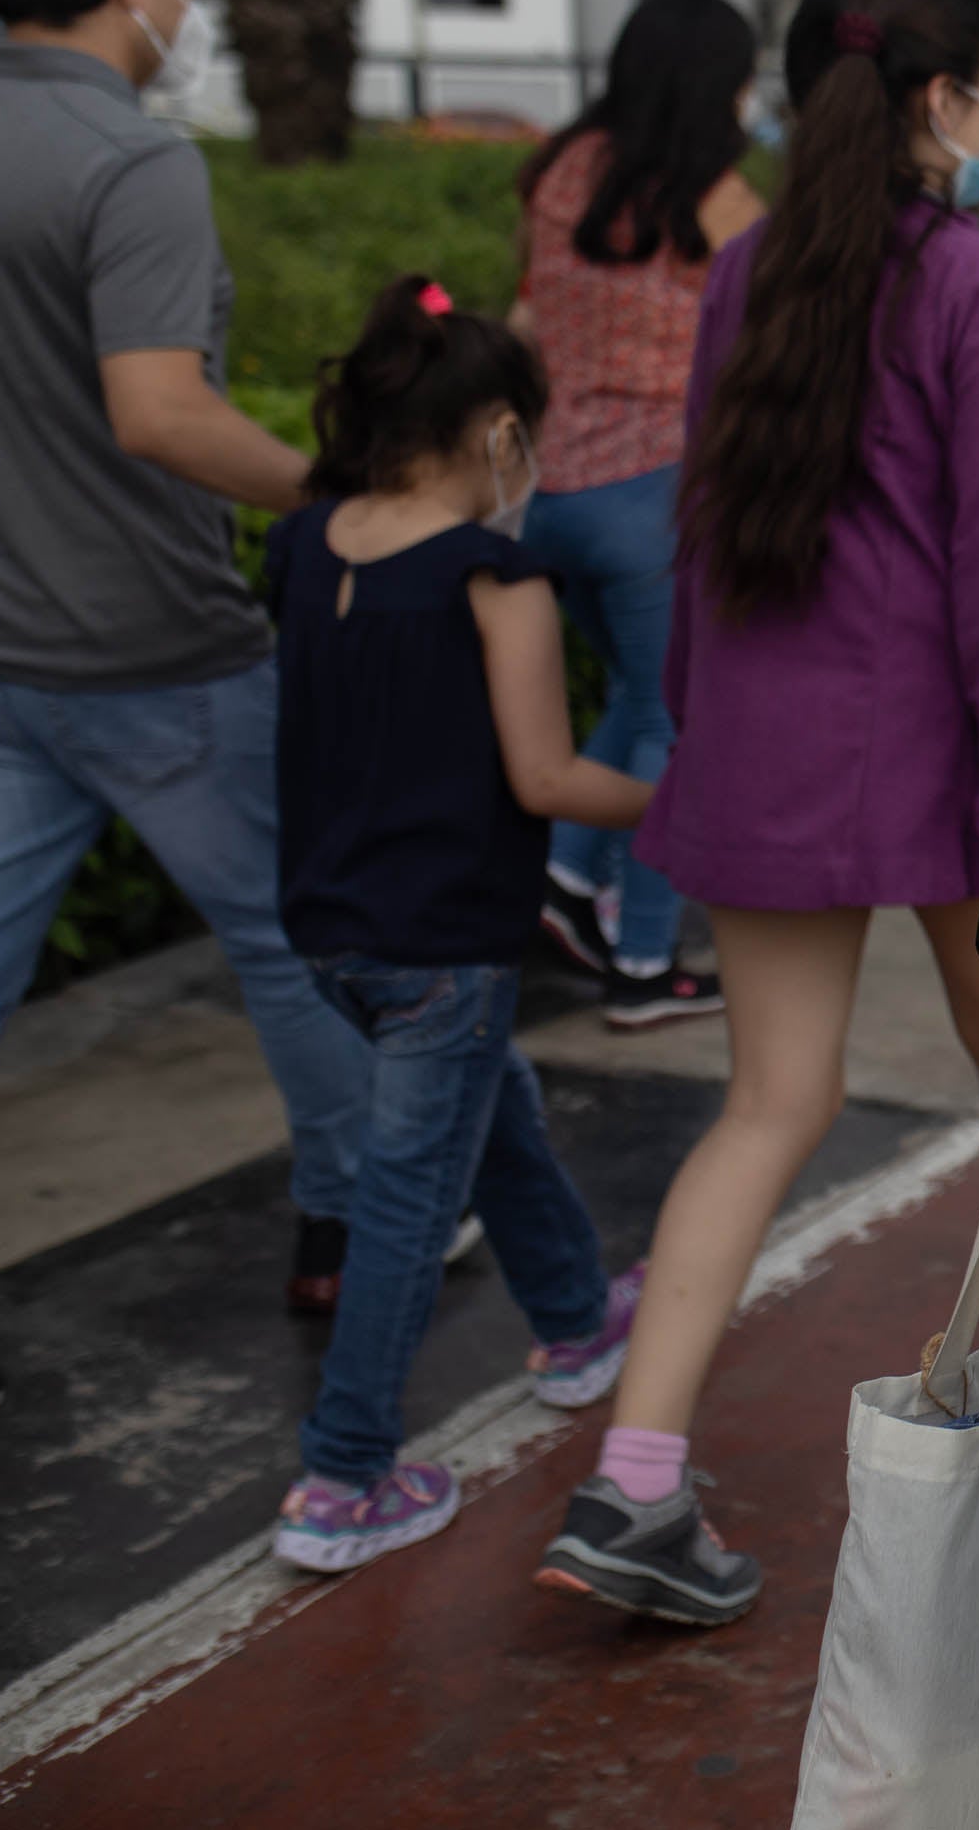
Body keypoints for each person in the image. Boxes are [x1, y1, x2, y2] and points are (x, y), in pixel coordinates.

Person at [535, 0, 979, 1626]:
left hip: (773, 755)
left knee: (765, 1104)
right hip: (945, 760)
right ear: (947, 101)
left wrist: (702, 747)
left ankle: (634, 1480)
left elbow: (706, 537)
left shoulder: (751, 268)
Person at [0, 0, 379, 1323]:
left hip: (0, 663)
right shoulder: (128, 164)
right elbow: (159, 411)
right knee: (296, 944)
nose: (189, 2)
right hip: (164, 657)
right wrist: (343, 495)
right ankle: (350, 1230)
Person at [266, 279, 647, 1572]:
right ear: (498, 434)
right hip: (444, 940)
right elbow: (546, 780)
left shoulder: (309, 540)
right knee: (407, 1202)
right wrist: (682, 801)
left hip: (329, 930)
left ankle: (576, 1320)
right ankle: (344, 1476)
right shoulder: (496, 576)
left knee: (494, 1117)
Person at [510, 0, 764, 1027]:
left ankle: (567, 881)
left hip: (546, 488)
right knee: (683, 723)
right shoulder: (716, 199)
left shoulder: (561, 171)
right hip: (656, 493)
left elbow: (531, 309)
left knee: (631, 688)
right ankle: (648, 962)